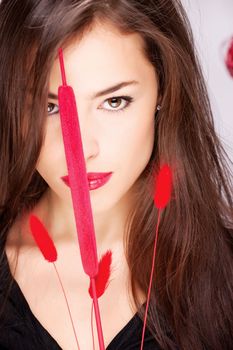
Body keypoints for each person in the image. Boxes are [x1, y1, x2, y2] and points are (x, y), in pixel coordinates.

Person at [0, 0, 232, 349]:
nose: (83, 149)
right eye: (49, 107)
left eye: (114, 101)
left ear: (163, 91)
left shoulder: (223, 270)